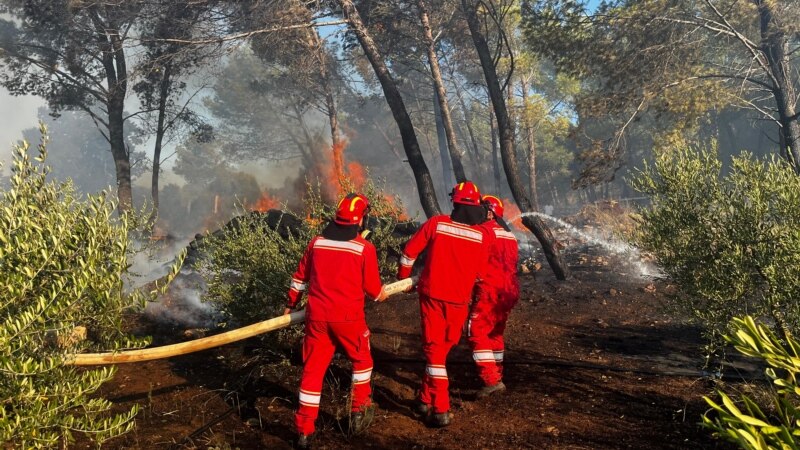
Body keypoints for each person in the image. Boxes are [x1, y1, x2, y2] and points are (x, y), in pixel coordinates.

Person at [283, 193, 388, 448]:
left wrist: (290, 305)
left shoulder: (316, 242)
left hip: (316, 317)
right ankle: (359, 412)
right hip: (348, 319)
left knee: (313, 369)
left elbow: (299, 277)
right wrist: (382, 293)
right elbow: (374, 290)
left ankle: (304, 430)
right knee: (362, 360)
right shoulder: (364, 248)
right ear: (361, 219)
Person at [397, 181, 493, 427]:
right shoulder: (482, 235)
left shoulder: (436, 224)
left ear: (456, 202)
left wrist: (404, 279)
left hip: (432, 297)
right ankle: (426, 400)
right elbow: (481, 275)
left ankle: (439, 408)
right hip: (460, 302)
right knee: (440, 351)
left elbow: (409, 253)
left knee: (434, 352)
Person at [469, 195, 520, 397]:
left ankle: (491, 380)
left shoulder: (482, 232)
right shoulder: (510, 235)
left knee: (477, 332)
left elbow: (474, 263)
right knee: (495, 333)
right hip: (508, 291)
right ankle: (497, 373)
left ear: (489, 212)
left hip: (490, 290)